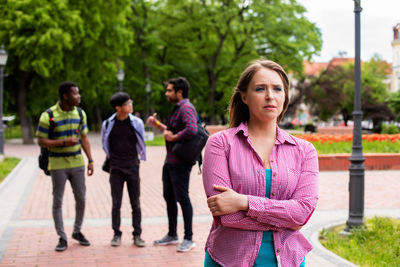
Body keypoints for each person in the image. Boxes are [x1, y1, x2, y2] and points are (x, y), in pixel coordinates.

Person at [202, 60, 319, 267]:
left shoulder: (304, 151)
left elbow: (301, 213)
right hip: (228, 260)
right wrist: (284, 217)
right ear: (244, 97)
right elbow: (225, 216)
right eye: (260, 89)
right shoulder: (220, 144)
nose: (270, 96)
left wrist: (243, 202)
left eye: (277, 89)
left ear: (285, 97)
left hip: (287, 260)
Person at [36, 81, 94, 252]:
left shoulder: (80, 114)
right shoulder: (48, 115)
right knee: (58, 201)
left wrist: (90, 160)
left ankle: (77, 231)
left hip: (77, 163)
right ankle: (62, 237)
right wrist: (63, 142)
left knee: (81, 199)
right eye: (75, 93)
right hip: (57, 164)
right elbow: (40, 140)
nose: (79, 96)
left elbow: (84, 138)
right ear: (65, 96)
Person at [146, 77, 197, 252]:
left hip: (180, 163)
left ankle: (189, 238)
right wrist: (158, 124)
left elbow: (192, 129)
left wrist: (174, 138)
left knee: (183, 198)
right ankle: (172, 234)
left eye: (169, 90)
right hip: (170, 161)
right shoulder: (178, 109)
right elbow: (172, 129)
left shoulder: (186, 108)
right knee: (169, 197)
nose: (166, 93)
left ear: (179, 92)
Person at [101, 92, 146, 247]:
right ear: (118, 108)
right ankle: (116, 234)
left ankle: (137, 235)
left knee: (135, 203)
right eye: (127, 103)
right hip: (116, 168)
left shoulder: (137, 122)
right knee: (116, 203)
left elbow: (141, 141)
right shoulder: (108, 124)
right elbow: (104, 143)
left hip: (133, 166)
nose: (130, 105)